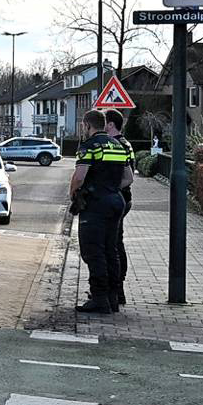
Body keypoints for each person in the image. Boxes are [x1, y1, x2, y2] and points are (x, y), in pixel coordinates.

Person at [71, 108, 131, 314]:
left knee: (93, 251)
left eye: (83, 126)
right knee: (110, 249)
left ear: (87, 125)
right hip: (116, 201)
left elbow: (79, 177)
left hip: (96, 204)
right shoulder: (118, 145)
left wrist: (74, 193)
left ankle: (99, 298)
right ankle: (113, 297)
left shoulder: (89, 146)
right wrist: (110, 187)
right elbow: (128, 178)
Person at [103, 109, 135, 309]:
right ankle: (117, 288)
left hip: (118, 198)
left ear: (110, 124)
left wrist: (108, 190)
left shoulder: (117, 145)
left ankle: (117, 289)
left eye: (104, 122)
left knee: (113, 245)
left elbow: (127, 177)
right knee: (116, 242)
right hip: (123, 198)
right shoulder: (126, 143)